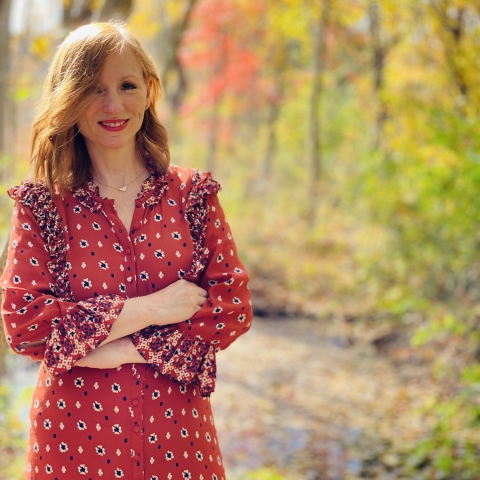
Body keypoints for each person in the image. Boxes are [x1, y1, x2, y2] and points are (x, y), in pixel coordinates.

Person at [0, 22, 252, 480]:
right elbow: (26, 325)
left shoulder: (193, 196)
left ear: (150, 90)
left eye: (127, 85)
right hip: (74, 438)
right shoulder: (43, 205)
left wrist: (106, 346)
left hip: (180, 435)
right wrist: (156, 308)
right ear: (68, 99)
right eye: (93, 89)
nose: (113, 105)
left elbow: (231, 308)